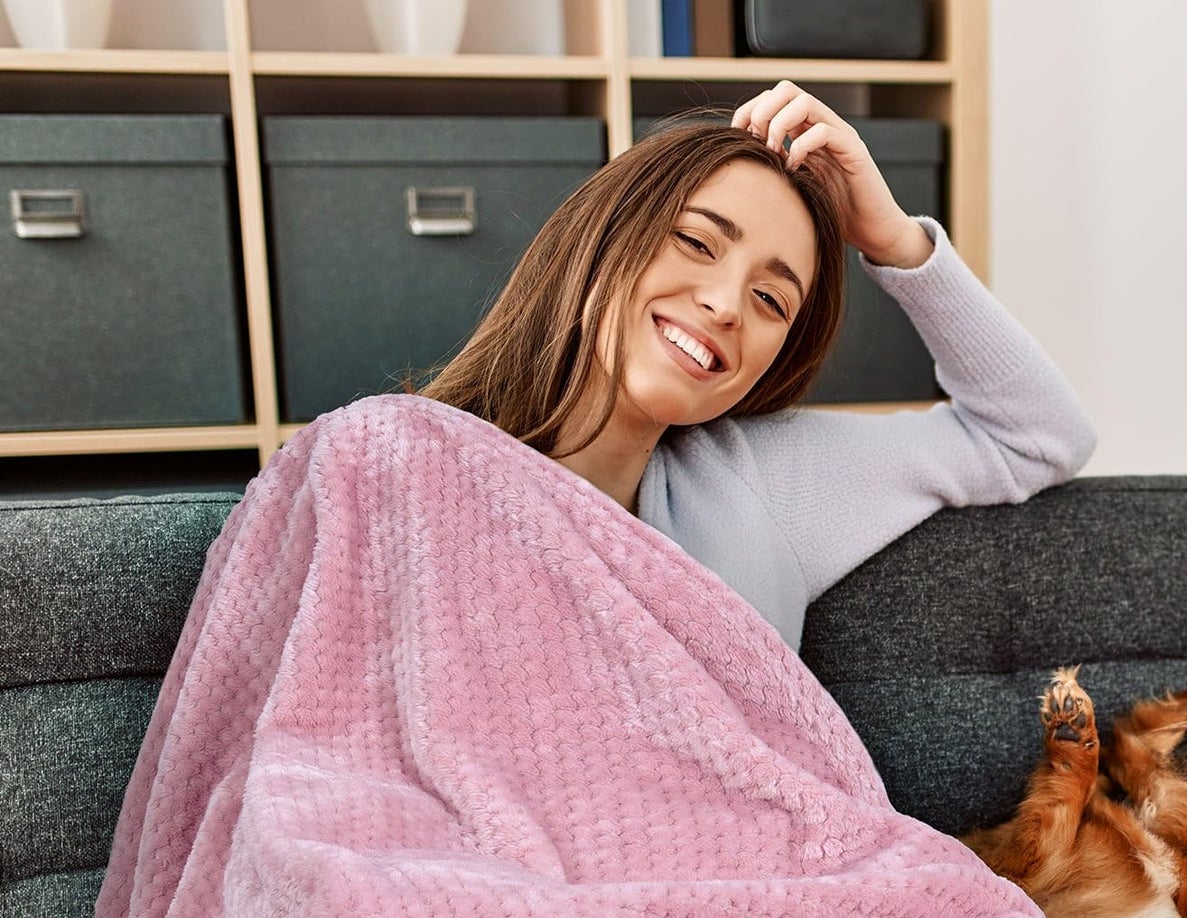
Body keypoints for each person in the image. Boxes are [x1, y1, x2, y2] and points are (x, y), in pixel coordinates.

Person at [423, 81, 1097, 651]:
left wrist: (893, 238)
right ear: (603, 235)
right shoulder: (404, 463)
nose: (724, 305)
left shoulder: (757, 484)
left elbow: (1034, 437)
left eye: (770, 299)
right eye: (694, 240)